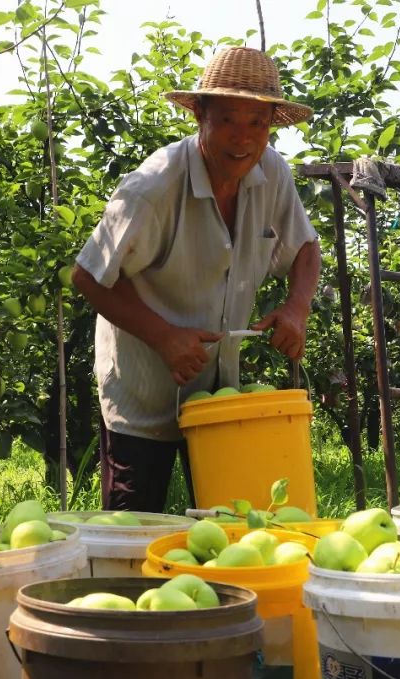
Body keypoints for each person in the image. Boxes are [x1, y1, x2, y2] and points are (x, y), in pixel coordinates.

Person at [71, 46, 322, 512]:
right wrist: (165, 337)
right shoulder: (154, 187)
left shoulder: (272, 172)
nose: (243, 138)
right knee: (135, 524)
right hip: (145, 388)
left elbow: (307, 248)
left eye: (257, 124)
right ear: (200, 114)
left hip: (219, 395)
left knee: (233, 520)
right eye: (228, 119)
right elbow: (88, 276)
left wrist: (297, 308)